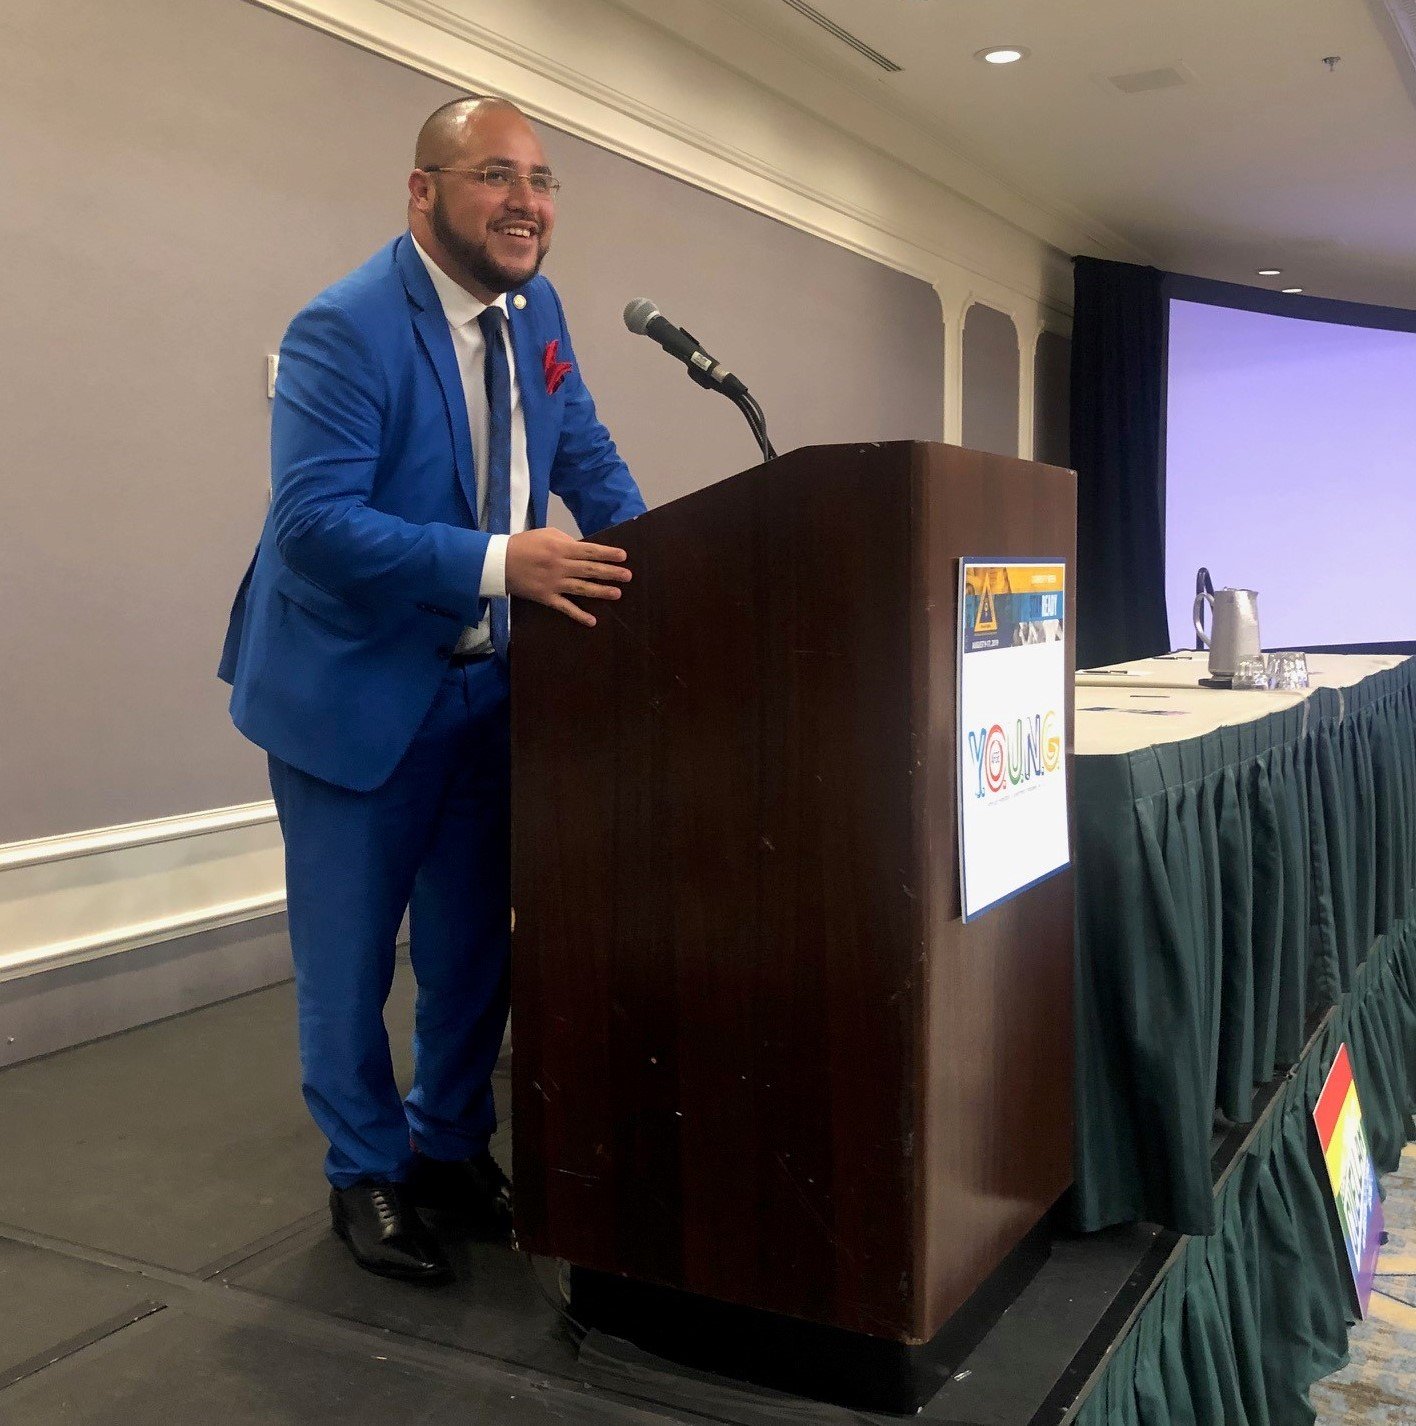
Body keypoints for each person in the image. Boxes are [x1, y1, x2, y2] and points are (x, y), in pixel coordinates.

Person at [218, 96, 645, 1284]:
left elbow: (585, 455)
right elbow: (313, 528)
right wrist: (505, 561)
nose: (527, 203)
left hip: (486, 690)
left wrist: (670, 575)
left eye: (544, 181)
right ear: (423, 192)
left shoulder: (540, 310)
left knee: (472, 949)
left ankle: (449, 1146)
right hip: (350, 691)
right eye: (495, 176)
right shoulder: (343, 327)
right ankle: (363, 1170)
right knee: (351, 958)